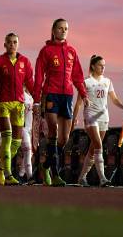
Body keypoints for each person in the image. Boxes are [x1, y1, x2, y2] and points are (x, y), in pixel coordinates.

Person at [33, 19, 88, 187]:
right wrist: (36, 101)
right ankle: (55, 174)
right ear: (53, 30)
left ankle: (46, 165)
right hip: (51, 94)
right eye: (60, 28)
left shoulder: (72, 51)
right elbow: (39, 76)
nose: (63, 31)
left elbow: (78, 76)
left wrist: (84, 94)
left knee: (64, 139)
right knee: (53, 132)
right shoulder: (46, 51)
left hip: (67, 96)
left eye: (66, 29)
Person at [0, 32, 35, 186]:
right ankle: (9, 174)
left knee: (17, 143)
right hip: (2, 103)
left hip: (19, 104)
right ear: (5, 45)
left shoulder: (25, 62)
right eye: (9, 42)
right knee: (8, 137)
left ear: (18, 44)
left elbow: (30, 84)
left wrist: (39, 100)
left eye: (15, 42)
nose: (12, 45)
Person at [73, 55, 123, 187]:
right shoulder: (86, 82)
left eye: (104, 65)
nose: (103, 68)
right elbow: (78, 103)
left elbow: (114, 99)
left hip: (104, 117)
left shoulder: (107, 81)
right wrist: (74, 119)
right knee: (99, 146)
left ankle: (82, 177)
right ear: (93, 66)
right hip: (90, 116)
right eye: (100, 65)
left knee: (93, 149)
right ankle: (103, 178)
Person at [18, 91, 35, 183]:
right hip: (22, 128)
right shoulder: (21, 95)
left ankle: (20, 175)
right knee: (28, 151)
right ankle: (30, 176)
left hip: (30, 129)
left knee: (29, 153)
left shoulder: (32, 97)